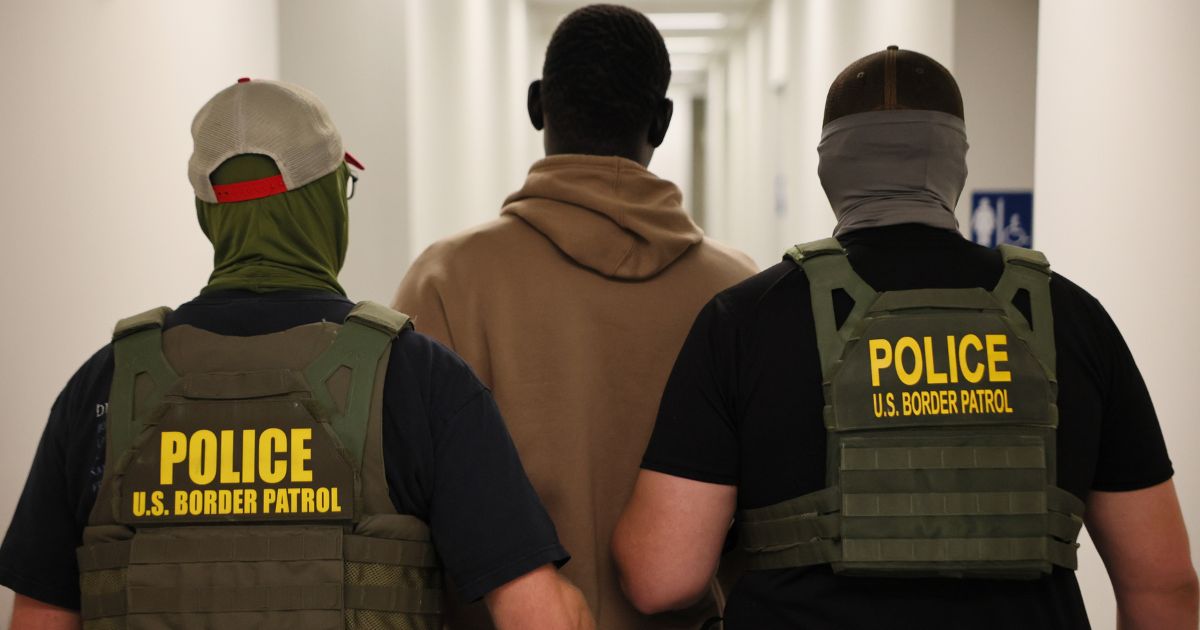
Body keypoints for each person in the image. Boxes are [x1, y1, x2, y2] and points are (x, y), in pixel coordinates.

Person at [613, 46, 1198, 629]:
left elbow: (661, 576)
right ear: (956, 165)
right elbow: (1165, 589)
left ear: (828, 167)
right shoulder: (1072, 319)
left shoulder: (744, 321)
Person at [0, 78, 593, 630]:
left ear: (210, 213)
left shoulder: (103, 387)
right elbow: (539, 617)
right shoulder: (418, 378)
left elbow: (36, 619)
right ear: (330, 199)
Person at [392, 5, 757, 628]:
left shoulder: (445, 282)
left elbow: (405, 520)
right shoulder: (740, 293)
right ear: (662, 122)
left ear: (537, 106)